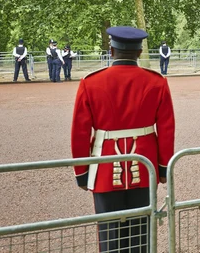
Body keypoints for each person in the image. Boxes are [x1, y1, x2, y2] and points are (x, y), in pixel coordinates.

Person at [71, 26, 175, 253]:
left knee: (110, 237)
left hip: (105, 170)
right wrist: (163, 168)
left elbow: (80, 132)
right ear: (139, 53)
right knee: (141, 236)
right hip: (144, 167)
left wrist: (81, 171)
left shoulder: (90, 82)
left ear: (111, 51)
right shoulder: (156, 82)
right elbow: (167, 129)